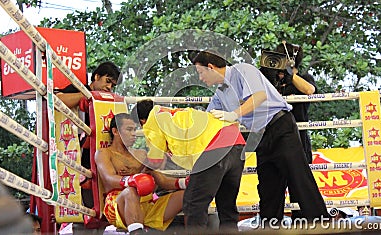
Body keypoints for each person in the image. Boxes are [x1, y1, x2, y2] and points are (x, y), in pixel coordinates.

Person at [191, 50, 329, 227]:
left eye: (201, 73)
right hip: (260, 136)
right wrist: (183, 120)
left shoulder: (243, 70)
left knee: (300, 181)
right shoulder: (220, 93)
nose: (201, 79)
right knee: (268, 191)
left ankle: (325, 228)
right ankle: (270, 231)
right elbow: (208, 117)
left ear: (211, 67)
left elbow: (259, 96)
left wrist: (234, 114)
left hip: (280, 127)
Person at [131, 100, 246, 232]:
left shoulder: (152, 121)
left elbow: (156, 161)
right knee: (227, 206)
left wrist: (140, 170)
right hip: (236, 142)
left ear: (142, 121)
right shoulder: (174, 115)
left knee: (193, 204)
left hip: (214, 147)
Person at [95, 113, 185, 234]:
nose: (134, 134)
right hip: (118, 203)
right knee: (130, 191)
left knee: (187, 195)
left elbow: (161, 180)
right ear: (115, 131)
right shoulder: (104, 153)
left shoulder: (141, 154)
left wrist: (184, 182)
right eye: (129, 129)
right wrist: (130, 180)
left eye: (135, 129)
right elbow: (108, 177)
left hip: (146, 204)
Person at [55, 61, 122, 207]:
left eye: (112, 85)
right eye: (108, 81)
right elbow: (57, 99)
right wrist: (86, 97)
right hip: (76, 156)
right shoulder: (81, 89)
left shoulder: (109, 100)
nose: (109, 87)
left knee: (100, 205)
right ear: (96, 77)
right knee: (82, 206)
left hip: (98, 157)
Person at [270, 41, 317, 163]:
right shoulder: (272, 81)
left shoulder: (305, 79)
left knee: (300, 181)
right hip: (274, 141)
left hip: (298, 140)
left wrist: (289, 71)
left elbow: (309, 90)